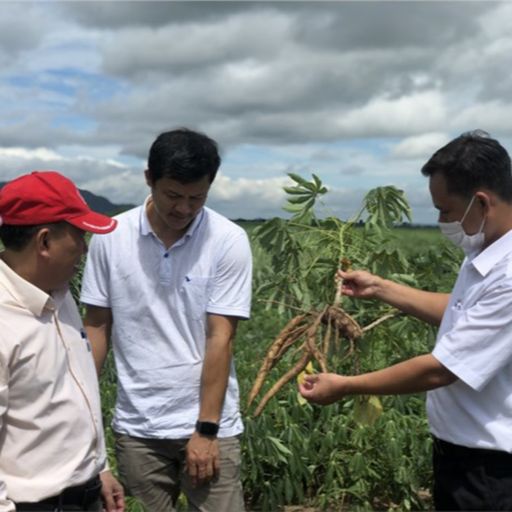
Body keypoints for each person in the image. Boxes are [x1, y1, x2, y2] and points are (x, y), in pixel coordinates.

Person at [299, 130, 512, 511]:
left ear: (481, 202)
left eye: (445, 210)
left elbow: (441, 371)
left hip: (493, 470)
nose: (442, 220)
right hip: (462, 456)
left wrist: (346, 386)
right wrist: (381, 287)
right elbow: (464, 312)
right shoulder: (487, 249)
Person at [80, 128, 253, 512]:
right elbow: (96, 327)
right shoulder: (110, 237)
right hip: (138, 427)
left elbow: (220, 337)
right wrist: (81, 413)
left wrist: (207, 430)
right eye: (173, 195)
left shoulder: (227, 239)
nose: (184, 209)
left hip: (209, 425)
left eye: (197, 198)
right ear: (149, 179)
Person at [0, 171, 125, 512]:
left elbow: (76, 391)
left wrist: (99, 468)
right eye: (78, 236)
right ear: (44, 242)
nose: (84, 250)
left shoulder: (59, 293)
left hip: (85, 494)